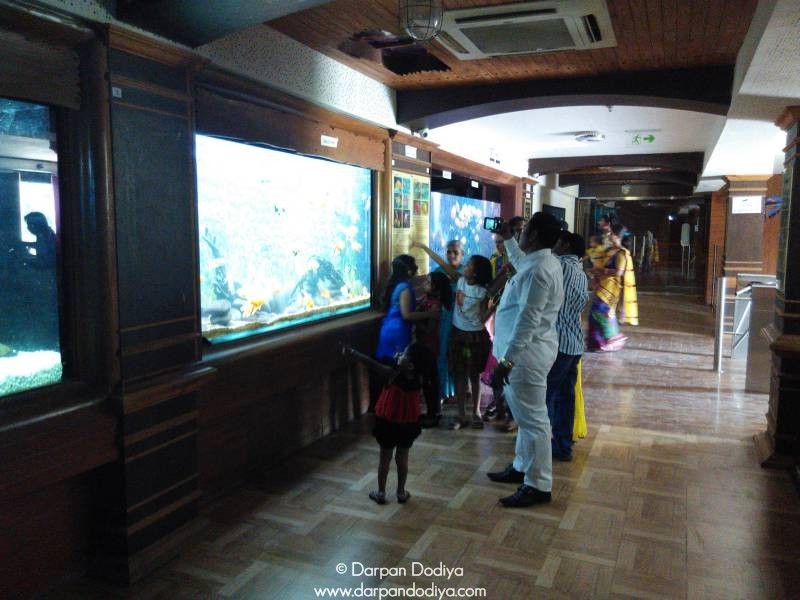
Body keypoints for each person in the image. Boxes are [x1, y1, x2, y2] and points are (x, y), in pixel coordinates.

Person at [486, 212, 564, 508]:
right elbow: (520, 263)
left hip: (524, 359)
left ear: (532, 236)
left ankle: (538, 484)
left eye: (523, 230)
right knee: (526, 417)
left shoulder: (539, 270)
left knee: (533, 422)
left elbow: (527, 322)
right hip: (524, 356)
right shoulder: (541, 261)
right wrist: (507, 238)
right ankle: (521, 468)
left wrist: (507, 363)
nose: (521, 232)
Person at [413, 241, 493, 429]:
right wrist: (425, 249)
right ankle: (461, 414)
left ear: (474, 272)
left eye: (469, 264)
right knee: (459, 373)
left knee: (474, 374)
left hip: (475, 337)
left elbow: (483, 317)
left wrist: (492, 308)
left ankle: (476, 412)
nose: (464, 265)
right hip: (458, 334)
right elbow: (443, 264)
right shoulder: (460, 280)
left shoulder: (483, 291)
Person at [341, 343, 424, 505]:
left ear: (410, 364)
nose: (400, 355)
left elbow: (370, 363)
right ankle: (401, 492)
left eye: (404, 354)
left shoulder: (392, 374)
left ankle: (381, 492)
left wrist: (352, 352)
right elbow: (404, 368)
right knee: (402, 458)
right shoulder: (417, 378)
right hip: (408, 424)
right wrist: (400, 361)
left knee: (384, 459)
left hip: (388, 423)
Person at [546, 231, 589, 462]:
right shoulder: (581, 273)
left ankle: (542, 445)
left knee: (546, 396)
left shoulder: (558, 267)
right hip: (574, 344)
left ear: (565, 244)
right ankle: (563, 445)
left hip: (558, 343)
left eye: (556, 241)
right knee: (566, 397)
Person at [416, 271, 453, 426]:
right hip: (432, 346)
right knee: (429, 380)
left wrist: (416, 318)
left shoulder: (435, 306)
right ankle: (433, 411)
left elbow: (429, 329)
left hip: (433, 346)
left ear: (435, 288)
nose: (424, 284)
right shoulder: (430, 301)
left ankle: (434, 413)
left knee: (431, 381)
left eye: (428, 282)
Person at [587, 223, 631, 352]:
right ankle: (596, 342)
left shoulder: (622, 253)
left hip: (611, 288)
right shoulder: (609, 251)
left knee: (601, 311)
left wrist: (601, 270)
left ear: (617, 236)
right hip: (602, 284)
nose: (608, 235)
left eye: (611, 233)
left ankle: (609, 339)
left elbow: (618, 272)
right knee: (596, 312)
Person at [433, 239, 464, 404]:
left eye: (455, 252)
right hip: (445, 318)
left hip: (462, 320)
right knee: (444, 351)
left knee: (459, 354)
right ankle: (443, 391)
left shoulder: (466, 272)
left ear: (462, 254)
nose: (451, 255)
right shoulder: (438, 271)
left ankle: (460, 390)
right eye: (449, 252)